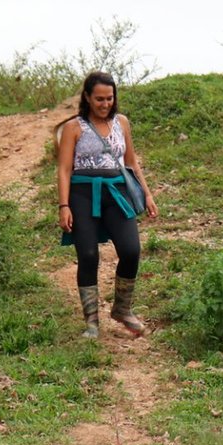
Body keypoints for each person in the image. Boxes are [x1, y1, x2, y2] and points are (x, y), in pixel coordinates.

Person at [55, 71, 157, 338]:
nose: (104, 104)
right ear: (87, 97)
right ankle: (91, 322)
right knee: (88, 255)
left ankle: (122, 309)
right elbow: (64, 169)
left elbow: (131, 163)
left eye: (109, 98)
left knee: (131, 250)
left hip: (117, 192)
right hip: (82, 194)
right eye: (99, 99)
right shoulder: (73, 128)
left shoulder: (122, 123)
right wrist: (64, 205)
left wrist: (147, 194)